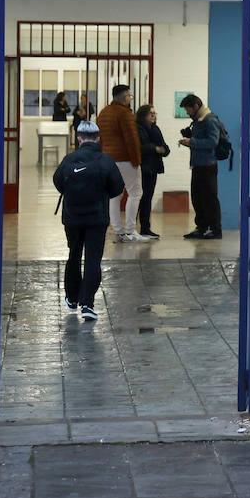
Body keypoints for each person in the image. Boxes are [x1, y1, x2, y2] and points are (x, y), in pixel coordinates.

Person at [52, 120, 124, 321]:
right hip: (97, 218)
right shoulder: (105, 160)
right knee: (93, 259)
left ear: (79, 138)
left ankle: (72, 298)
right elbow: (118, 188)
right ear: (98, 138)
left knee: (74, 255)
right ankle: (87, 304)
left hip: (73, 218)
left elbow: (58, 182)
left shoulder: (69, 159)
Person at [96, 84, 144, 243]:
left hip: (108, 159)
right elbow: (131, 139)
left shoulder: (103, 113)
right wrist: (136, 159)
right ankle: (130, 231)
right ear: (125, 98)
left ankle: (118, 231)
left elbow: (100, 138)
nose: (130, 99)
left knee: (114, 195)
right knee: (135, 192)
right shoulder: (125, 114)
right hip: (125, 159)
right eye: (130, 96)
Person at [178, 93, 223, 240]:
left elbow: (212, 141)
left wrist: (192, 142)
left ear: (195, 107)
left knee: (210, 198)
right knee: (197, 198)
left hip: (208, 165)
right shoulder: (198, 120)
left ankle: (216, 230)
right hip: (198, 164)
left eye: (188, 109)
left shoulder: (209, 119)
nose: (187, 113)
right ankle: (201, 227)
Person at [135, 104, 169, 240]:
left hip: (153, 167)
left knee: (148, 197)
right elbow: (139, 147)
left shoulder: (155, 129)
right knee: (141, 197)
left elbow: (164, 146)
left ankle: (145, 227)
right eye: (151, 114)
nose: (154, 116)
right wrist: (154, 148)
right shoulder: (138, 128)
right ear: (144, 115)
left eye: (155, 114)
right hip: (142, 167)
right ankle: (138, 227)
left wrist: (164, 150)